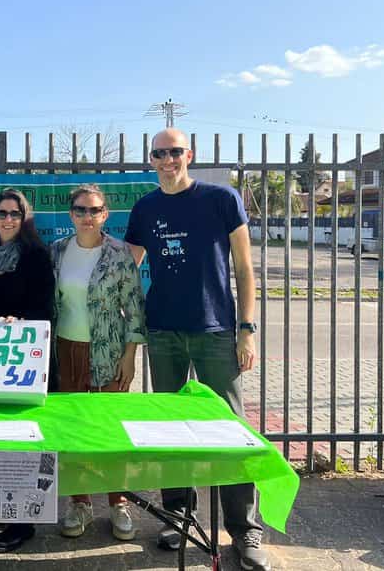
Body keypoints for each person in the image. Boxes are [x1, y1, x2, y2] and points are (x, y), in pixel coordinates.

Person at [124, 128, 269, 571]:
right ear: (151, 159)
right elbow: (127, 267)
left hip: (215, 331)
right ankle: (178, 516)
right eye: (159, 153)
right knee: (169, 427)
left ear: (190, 154)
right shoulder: (146, 207)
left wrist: (246, 329)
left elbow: (244, 269)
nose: (168, 160)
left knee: (229, 428)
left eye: (175, 152)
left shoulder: (221, 199)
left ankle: (245, 530)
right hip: (163, 331)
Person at [48, 184, 146, 542]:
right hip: (66, 349)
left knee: (111, 429)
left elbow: (135, 308)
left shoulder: (119, 254)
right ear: (71, 214)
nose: (87, 217)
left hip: (109, 350)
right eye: (80, 210)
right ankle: (80, 502)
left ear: (106, 214)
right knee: (75, 429)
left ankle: (119, 502)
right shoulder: (57, 251)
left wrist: (130, 356)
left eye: (95, 210)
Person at [0, 188, 55, 554]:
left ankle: (22, 520)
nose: (8, 219)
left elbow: (45, 304)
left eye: (15, 214)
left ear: (24, 217)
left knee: (23, 435)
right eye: (2, 213)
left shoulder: (35, 254)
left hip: (23, 356)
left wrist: (20, 322)